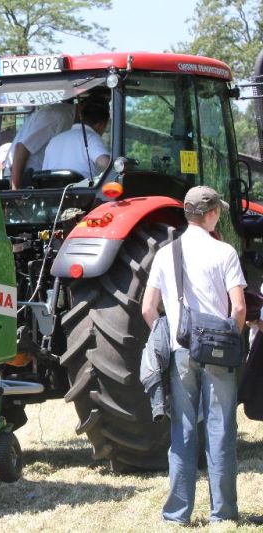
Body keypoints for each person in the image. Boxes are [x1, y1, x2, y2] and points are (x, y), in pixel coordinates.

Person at [141, 186, 246, 524]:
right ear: (212, 213)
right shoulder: (225, 252)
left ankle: (177, 515)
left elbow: (147, 309)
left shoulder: (164, 254)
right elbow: (240, 307)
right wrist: (231, 339)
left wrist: (169, 335)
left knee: (182, 432)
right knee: (221, 430)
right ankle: (223, 514)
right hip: (219, 353)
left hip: (180, 351)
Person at [4, 101, 76, 190]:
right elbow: (22, 148)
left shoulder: (68, 118)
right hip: (25, 178)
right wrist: (15, 191)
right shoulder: (57, 116)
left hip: (39, 179)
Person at [42, 99, 111, 180]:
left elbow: (45, 173)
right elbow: (105, 163)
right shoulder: (91, 137)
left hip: (53, 191)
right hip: (82, 191)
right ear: (101, 125)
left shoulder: (54, 140)